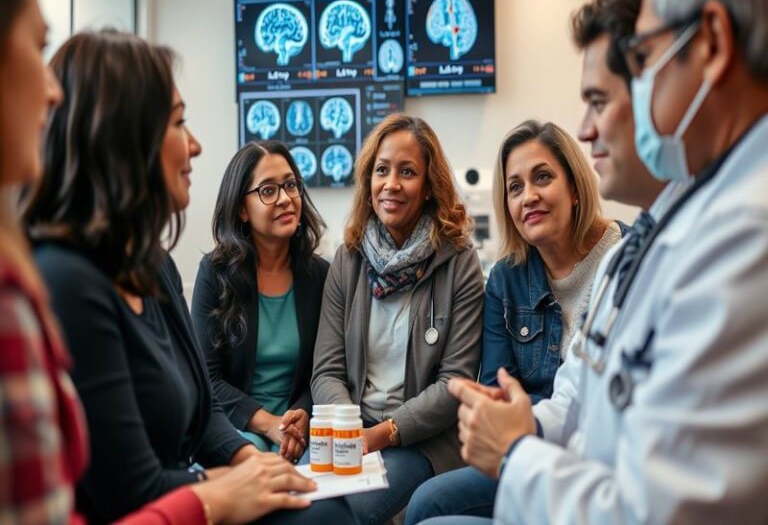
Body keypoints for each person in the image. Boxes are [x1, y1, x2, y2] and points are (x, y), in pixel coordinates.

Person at [438, 0, 768, 523]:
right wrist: (529, 424)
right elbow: (582, 385)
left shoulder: (742, 237)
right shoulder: (655, 234)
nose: (587, 129)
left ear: (711, 42)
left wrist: (517, 453)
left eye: (640, 63)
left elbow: (657, 511)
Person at [0, 0, 318, 524]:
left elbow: (202, 417)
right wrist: (225, 483)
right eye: (177, 124)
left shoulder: (155, 263)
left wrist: (252, 461)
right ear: (127, 142)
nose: (195, 146)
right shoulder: (64, 280)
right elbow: (129, 489)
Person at [406, 119, 625, 524]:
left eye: (543, 177)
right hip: (531, 440)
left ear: (575, 187)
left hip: (597, 451)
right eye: (515, 187)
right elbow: (497, 392)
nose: (530, 196)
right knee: (428, 502)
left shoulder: (625, 261)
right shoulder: (506, 278)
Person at [311, 113, 485, 525]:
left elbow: (455, 382)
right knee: (296, 509)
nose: (391, 184)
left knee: (337, 517)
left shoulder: (459, 261)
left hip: (418, 442)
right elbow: (326, 370)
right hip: (350, 431)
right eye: (381, 170)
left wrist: (382, 434)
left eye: (407, 172)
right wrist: (350, 432)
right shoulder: (348, 259)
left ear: (428, 188)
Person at [193, 140, 328, 462]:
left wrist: (301, 415)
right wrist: (269, 425)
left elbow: (329, 369)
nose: (285, 199)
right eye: (268, 191)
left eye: (290, 185)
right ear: (242, 208)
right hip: (234, 425)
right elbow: (206, 379)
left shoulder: (321, 275)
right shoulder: (215, 274)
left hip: (301, 430)